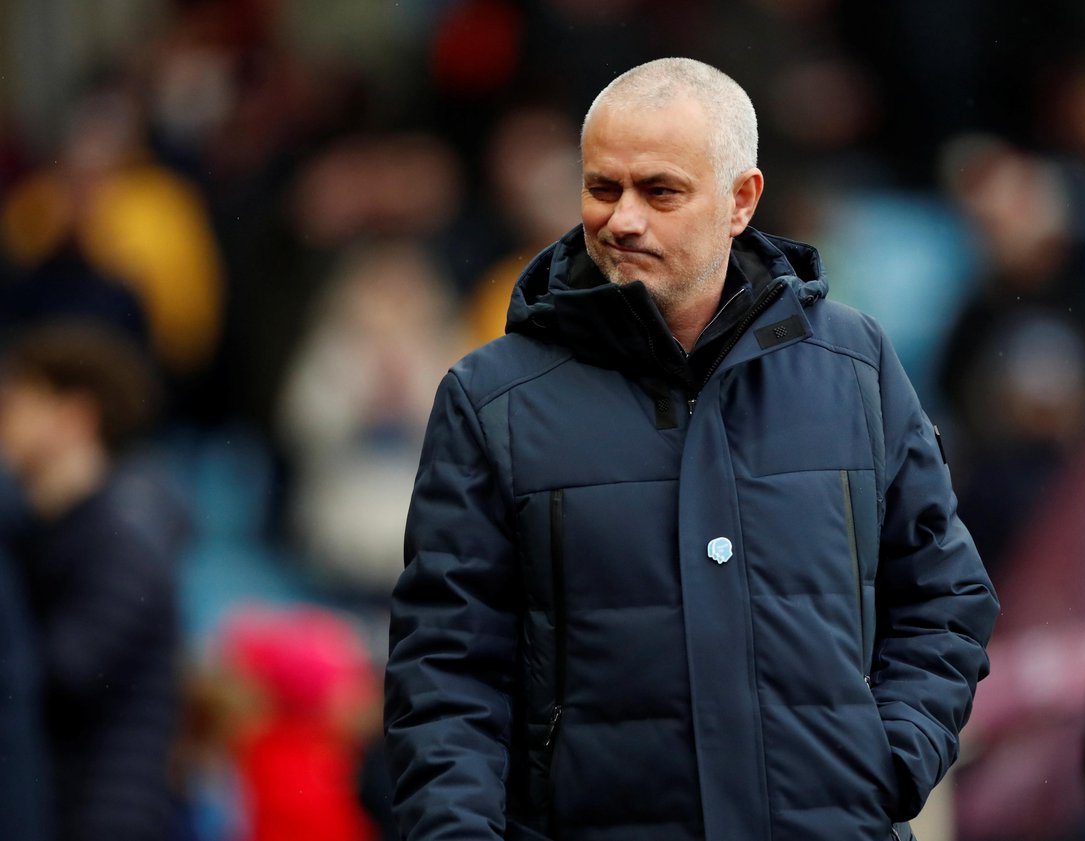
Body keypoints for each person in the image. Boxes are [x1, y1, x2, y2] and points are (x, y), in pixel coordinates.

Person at [385, 58, 999, 841]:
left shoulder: (856, 365)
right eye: (602, 188)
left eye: (660, 191)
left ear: (741, 199)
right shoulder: (490, 399)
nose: (622, 219)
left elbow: (944, 594)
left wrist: (887, 762)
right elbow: (445, 673)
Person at [0, 322, 184, 841]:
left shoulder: (123, 538)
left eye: (17, 403)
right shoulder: (50, 532)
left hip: (107, 816)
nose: (3, 418)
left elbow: (64, 673)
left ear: (74, 417)